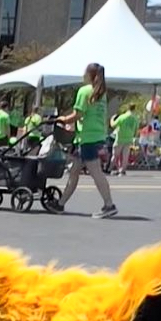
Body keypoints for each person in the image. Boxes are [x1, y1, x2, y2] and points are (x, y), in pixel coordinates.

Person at [48, 62, 117, 218]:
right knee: (74, 171)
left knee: (96, 172)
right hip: (96, 135)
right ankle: (60, 204)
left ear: (89, 75)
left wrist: (63, 119)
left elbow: (77, 115)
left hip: (88, 138)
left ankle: (109, 204)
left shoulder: (84, 91)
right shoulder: (101, 93)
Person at [109, 101, 140, 176]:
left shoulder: (122, 117)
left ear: (128, 108)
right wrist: (134, 137)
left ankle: (109, 168)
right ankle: (122, 170)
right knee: (125, 156)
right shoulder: (136, 118)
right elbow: (136, 130)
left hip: (120, 138)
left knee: (115, 155)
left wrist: (112, 119)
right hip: (129, 138)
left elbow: (113, 125)